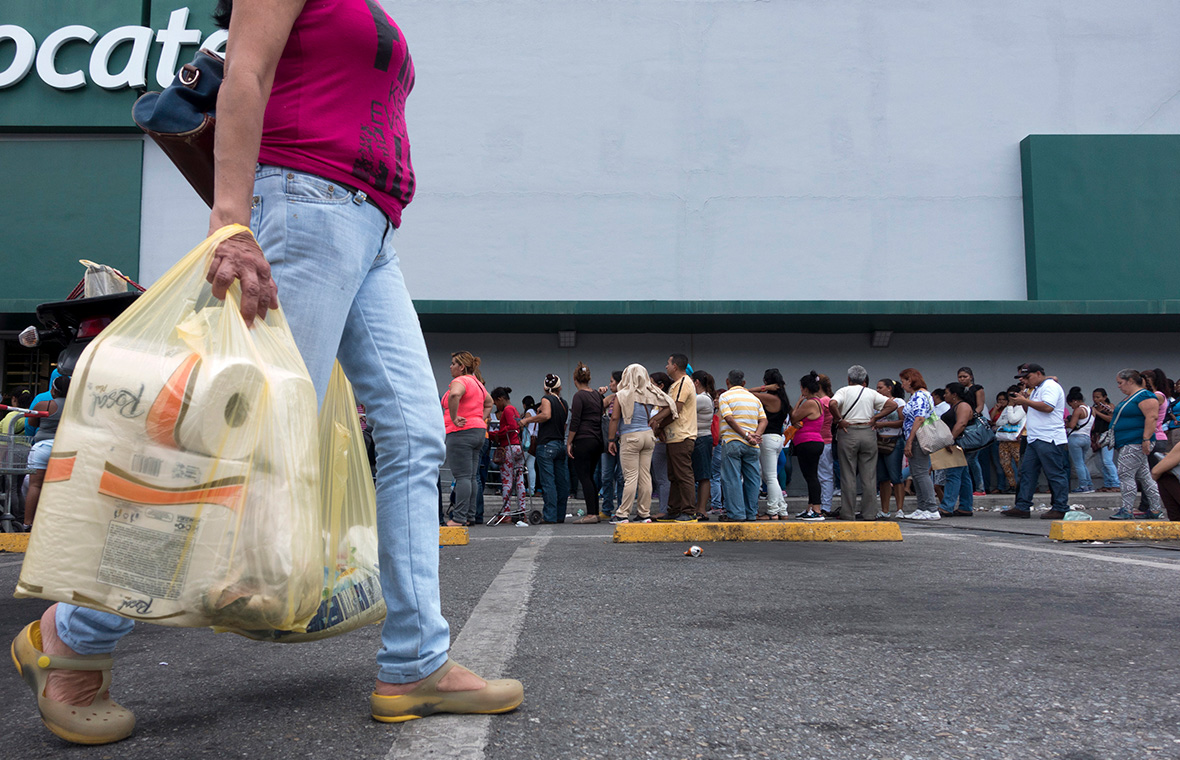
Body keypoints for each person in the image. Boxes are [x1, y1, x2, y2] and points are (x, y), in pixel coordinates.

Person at [15, 1, 523, 744]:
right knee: (241, 450)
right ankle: (73, 634)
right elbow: (243, 76)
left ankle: (415, 662)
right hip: (304, 204)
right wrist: (231, 220)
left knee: (417, 439)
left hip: (371, 226)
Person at [1003, 363, 1071, 520]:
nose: (1025, 381)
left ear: (1039, 374)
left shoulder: (1050, 386)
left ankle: (1060, 507)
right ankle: (1023, 505)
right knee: (1027, 472)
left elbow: (1048, 407)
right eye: (1023, 378)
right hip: (1035, 437)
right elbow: (1031, 411)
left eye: (1028, 377)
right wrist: (1025, 400)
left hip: (1049, 437)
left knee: (1054, 473)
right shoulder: (1035, 390)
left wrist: (1025, 401)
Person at [830, 365, 898, 521]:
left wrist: (840, 420)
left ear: (849, 379)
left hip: (848, 432)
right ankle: (869, 513)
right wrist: (876, 418)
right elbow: (892, 405)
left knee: (848, 475)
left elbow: (832, 404)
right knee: (869, 476)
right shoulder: (871, 393)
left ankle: (848, 513)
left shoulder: (843, 391)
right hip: (868, 432)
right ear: (864, 379)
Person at [607, 364, 674, 523]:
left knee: (630, 477)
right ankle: (644, 513)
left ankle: (623, 514)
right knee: (645, 476)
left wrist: (611, 440)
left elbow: (615, 418)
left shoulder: (622, 394)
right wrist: (654, 420)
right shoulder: (650, 392)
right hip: (648, 436)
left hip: (630, 437)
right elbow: (670, 405)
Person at [442, 352, 492, 527]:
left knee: (462, 476)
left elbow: (455, 395)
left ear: (461, 367)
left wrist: (455, 417)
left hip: (460, 432)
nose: (450, 366)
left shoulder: (460, 381)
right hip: (477, 431)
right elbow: (489, 402)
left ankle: (459, 518)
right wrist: (479, 417)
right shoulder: (478, 383)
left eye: (453, 363)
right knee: (471, 476)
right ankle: (470, 515)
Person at [1108, 369, 1164, 520]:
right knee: (1145, 476)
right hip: (1130, 441)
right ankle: (1155, 509)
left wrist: (1146, 439)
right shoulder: (1131, 397)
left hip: (1135, 441)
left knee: (1125, 475)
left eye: (1120, 383)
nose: (1119, 386)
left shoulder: (1145, 396)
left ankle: (1127, 509)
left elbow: (1151, 417)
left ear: (1130, 381)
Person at [650, 354, 698, 521]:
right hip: (673, 437)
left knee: (683, 475)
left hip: (682, 436)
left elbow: (675, 408)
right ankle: (675, 509)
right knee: (674, 476)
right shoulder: (676, 385)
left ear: (676, 366)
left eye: (668, 363)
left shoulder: (684, 382)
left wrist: (657, 422)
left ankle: (689, 510)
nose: (666, 367)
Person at [716, 370, 766, 522]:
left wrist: (745, 436)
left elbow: (729, 419)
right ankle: (751, 514)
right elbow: (763, 420)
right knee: (753, 480)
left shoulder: (725, 396)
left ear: (727, 382)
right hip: (752, 445)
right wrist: (756, 436)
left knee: (732, 479)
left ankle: (736, 514)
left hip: (733, 442)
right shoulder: (754, 399)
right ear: (744, 383)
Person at [520, 374, 569, 523]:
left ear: (544, 387)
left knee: (548, 482)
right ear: (560, 387)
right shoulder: (564, 403)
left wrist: (527, 419)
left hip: (547, 444)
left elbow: (546, 415)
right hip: (560, 444)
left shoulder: (546, 399)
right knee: (561, 482)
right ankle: (560, 515)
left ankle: (550, 516)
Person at [22, 375, 69, 530]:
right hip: (65, 449)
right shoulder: (76, 406)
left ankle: (28, 523)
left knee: (35, 485)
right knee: (63, 487)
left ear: (53, 390)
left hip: (42, 448)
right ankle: (58, 523)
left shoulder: (44, 404)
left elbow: (32, 423)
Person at [746, 369, 793, 520]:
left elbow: (746, 392)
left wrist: (765, 388)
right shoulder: (783, 399)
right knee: (771, 477)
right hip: (778, 439)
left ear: (767, 382)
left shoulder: (770, 398)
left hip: (768, 438)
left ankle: (773, 511)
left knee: (770, 477)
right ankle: (782, 509)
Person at [567, 363, 604, 524]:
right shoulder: (596, 395)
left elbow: (575, 421)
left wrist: (569, 442)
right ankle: (595, 511)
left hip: (583, 439)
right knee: (591, 476)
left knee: (584, 476)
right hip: (597, 439)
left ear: (575, 379)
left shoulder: (578, 396)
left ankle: (590, 513)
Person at [898, 368, 939, 518]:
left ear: (910, 380)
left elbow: (919, 418)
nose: (902, 385)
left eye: (903, 382)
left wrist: (910, 440)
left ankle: (931, 508)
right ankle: (923, 508)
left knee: (921, 473)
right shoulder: (918, 395)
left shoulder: (920, 396)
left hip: (917, 438)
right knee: (916, 473)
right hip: (915, 438)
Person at [791, 371, 828, 521]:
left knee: (811, 476)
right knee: (810, 476)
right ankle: (810, 508)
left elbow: (793, 416)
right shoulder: (818, 402)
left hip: (808, 442)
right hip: (812, 442)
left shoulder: (811, 403)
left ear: (805, 388)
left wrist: (799, 402)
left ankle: (817, 510)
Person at [935, 382, 975, 518]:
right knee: (963, 476)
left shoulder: (962, 405)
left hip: (958, 444)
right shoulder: (956, 406)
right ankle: (965, 506)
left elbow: (961, 423)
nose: (944, 395)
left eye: (946, 393)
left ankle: (947, 506)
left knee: (953, 474)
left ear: (954, 395)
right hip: (956, 443)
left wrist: (950, 439)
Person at [489, 387, 526, 521]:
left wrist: (495, 434)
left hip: (508, 447)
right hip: (517, 448)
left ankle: (506, 512)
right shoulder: (514, 409)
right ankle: (522, 510)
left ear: (500, 399)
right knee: (520, 481)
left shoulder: (507, 410)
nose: (496, 406)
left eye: (495, 403)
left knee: (507, 481)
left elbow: (511, 428)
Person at [874, 380, 906, 517]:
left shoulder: (898, 402)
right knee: (882, 477)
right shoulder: (876, 403)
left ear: (889, 388)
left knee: (896, 476)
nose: (878, 390)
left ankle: (899, 509)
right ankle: (885, 509)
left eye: (880, 387)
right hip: (879, 441)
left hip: (894, 440)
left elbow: (902, 421)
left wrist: (884, 424)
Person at [598, 371, 624, 519]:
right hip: (609, 440)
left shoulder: (626, 397)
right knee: (606, 476)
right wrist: (600, 394)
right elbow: (597, 407)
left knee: (621, 476)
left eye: (612, 381)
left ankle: (621, 508)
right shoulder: (611, 398)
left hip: (622, 440)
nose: (610, 384)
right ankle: (607, 508)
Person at [957, 366, 987, 494]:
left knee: (972, 459)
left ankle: (980, 487)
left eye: (965, 376)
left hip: (973, 424)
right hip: (962, 424)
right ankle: (968, 488)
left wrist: (971, 415)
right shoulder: (958, 390)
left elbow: (980, 406)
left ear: (971, 377)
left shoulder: (977, 388)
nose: (962, 379)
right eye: (960, 377)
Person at [647, 371, 674, 515]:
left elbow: (661, 421)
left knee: (662, 479)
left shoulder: (665, 401)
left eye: (651, 384)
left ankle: (664, 510)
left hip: (662, 442)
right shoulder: (656, 401)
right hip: (657, 442)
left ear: (661, 386)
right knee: (661, 478)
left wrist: (658, 429)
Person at [691, 370, 717, 518]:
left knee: (703, 475)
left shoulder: (701, 399)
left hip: (701, 438)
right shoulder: (706, 397)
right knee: (701, 475)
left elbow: (683, 411)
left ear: (697, 382)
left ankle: (701, 509)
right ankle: (699, 508)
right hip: (701, 438)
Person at [1065, 386, 1096, 494]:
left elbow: (1072, 425)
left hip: (1076, 438)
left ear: (1074, 401)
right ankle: (1089, 485)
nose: (1072, 408)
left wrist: (1066, 423)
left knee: (1078, 464)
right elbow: (1092, 427)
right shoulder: (1092, 410)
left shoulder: (1078, 410)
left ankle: (1083, 485)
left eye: (1071, 405)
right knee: (1082, 463)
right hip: (1087, 438)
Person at [993, 391, 1026, 494]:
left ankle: (1022, 486)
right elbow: (999, 422)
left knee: (1018, 462)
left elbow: (1012, 420)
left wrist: (1010, 409)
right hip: (1004, 439)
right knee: (1005, 463)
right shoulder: (1007, 408)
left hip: (1015, 439)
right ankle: (1012, 485)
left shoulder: (1021, 408)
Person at [1089, 388, 1121, 492]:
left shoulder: (1109, 407)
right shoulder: (1094, 408)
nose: (1096, 399)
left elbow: (1111, 419)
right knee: (1099, 462)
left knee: (1107, 461)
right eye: (1094, 397)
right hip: (1096, 436)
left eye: (1098, 397)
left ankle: (1116, 483)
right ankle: (1107, 483)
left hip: (1107, 436)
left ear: (1104, 397)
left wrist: (1097, 413)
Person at [815, 373, 837, 517]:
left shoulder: (822, 401)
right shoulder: (829, 400)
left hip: (821, 440)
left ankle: (825, 506)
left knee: (824, 475)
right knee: (825, 474)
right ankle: (825, 505)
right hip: (826, 440)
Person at [520, 396, 540, 496]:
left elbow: (525, 425)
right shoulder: (537, 413)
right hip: (535, 441)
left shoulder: (528, 412)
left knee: (519, 465)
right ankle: (531, 490)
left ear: (524, 404)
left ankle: (519, 489)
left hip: (527, 442)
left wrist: (521, 422)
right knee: (531, 467)